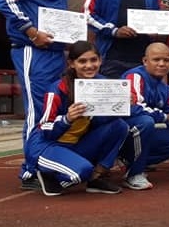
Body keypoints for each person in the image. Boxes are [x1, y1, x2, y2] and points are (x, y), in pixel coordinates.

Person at [0, 0, 70, 190]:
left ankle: (46, 163)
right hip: (33, 50)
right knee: (37, 110)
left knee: (53, 109)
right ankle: (30, 170)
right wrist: (31, 31)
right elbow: (6, 1)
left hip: (55, 54)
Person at [31, 41, 128, 196]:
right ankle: (47, 174)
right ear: (71, 64)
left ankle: (96, 176)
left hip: (77, 144)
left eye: (93, 60)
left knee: (120, 126)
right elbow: (44, 128)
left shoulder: (103, 84)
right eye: (82, 61)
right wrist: (66, 119)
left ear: (100, 60)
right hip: (49, 146)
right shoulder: (57, 89)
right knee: (81, 172)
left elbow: (101, 121)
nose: (89, 66)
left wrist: (122, 105)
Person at [118, 43, 169, 190]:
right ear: (145, 61)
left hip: (143, 129)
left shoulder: (164, 88)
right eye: (156, 59)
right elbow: (134, 108)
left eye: (166, 60)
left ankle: (130, 160)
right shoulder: (135, 76)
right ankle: (135, 173)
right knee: (145, 122)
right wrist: (164, 117)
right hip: (122, 128)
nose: (161, 64)